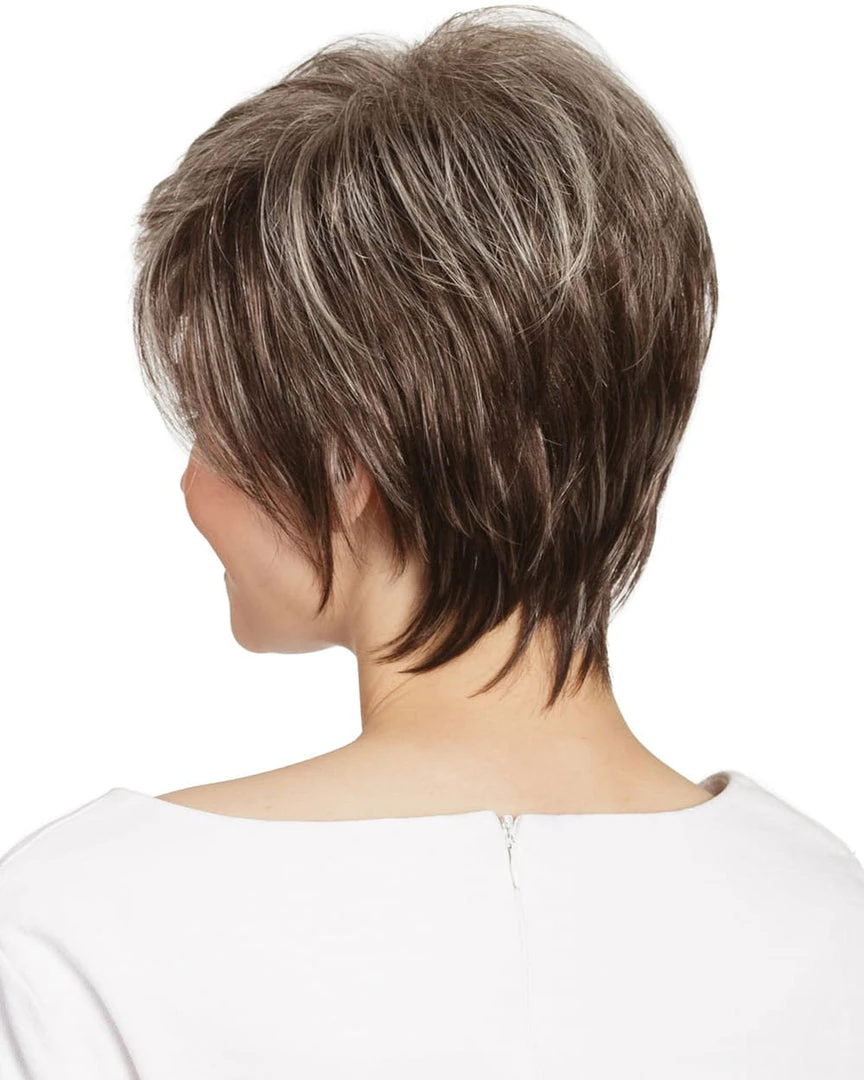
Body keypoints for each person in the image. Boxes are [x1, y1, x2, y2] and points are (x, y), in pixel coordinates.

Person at [1, 6, 862, 1077]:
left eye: (213, 423)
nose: (191, 486)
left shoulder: (81, 935)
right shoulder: (832, 923)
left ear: (345, 460)